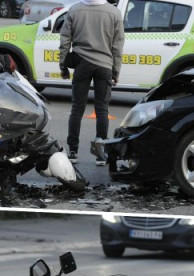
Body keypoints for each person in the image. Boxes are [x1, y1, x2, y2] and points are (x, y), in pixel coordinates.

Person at [59, 0, 124, 164]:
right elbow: (117, 46)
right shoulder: (114, 12)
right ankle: (100, 154)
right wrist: (116, 71)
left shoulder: (74, 10)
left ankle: (73, 151)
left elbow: (65, 40)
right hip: (104, 66)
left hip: (81, 64)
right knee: (102, 109)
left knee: (77, 108)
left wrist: (63, 66)